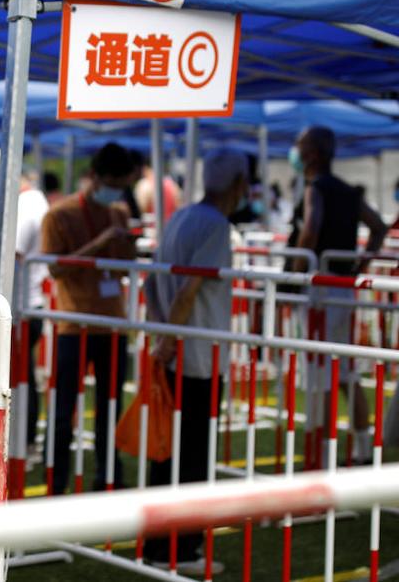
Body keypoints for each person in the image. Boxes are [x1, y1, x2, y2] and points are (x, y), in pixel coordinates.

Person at [144, 148, 252, 575]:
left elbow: (155, 283)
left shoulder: (180, 217)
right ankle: (183, 551)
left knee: (167, 453)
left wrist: (162, 334)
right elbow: (189, 289)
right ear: (239, 184)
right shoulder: (216, 227)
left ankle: (157, 543)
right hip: (198, 356)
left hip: (178, 349)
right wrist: (170, 336)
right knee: (192, 456)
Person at [41, 142, 137, 495]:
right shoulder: (59, 214)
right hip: (74, 323)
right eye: (113, 181)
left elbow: (126, 263)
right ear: (94, 177)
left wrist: (127, 243)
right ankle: (56, 481)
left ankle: (107, 476)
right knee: (64, 412)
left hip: (113, 323)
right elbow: (54, 268)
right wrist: (100, 243)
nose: (116, 189)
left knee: (110, 408)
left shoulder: (120, 212)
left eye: (122, 182)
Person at [290, 126, 387, 464]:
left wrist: (296, 269)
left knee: (322, 369)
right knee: (345, 370)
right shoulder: (348, 191)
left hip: (321, 285)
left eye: (300, 147)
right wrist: (358, 267)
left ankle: (322, 453)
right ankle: (361, 449)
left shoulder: (316, 188)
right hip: (343, 287)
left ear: (313, 153)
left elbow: (311, 227)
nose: (295, 152)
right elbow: (378, 226)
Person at [0, 150, 50, 455]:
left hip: (19, 304)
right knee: (20, 376)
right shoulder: (33, 202)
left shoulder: (25, 206)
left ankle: (20, 443)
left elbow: (11, 254)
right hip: (22, 302)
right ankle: (20, 441)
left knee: (18, 377)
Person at [135, 151, 182, 224]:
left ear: (145, 168)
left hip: (152, 230)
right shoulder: (173, 185)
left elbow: (140, 210)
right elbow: (179, 208)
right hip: (169, 228)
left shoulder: (145, 184)